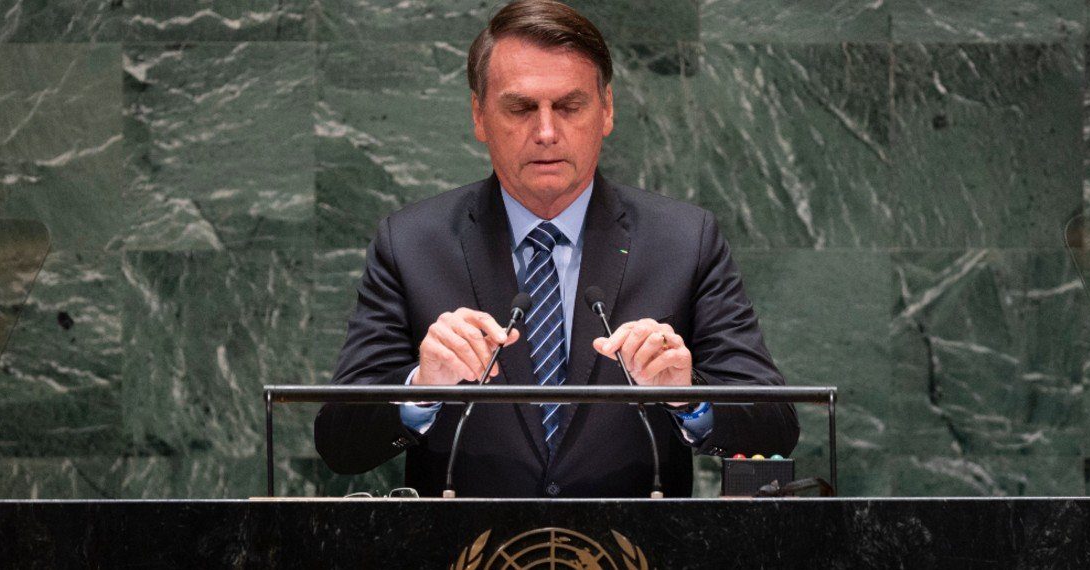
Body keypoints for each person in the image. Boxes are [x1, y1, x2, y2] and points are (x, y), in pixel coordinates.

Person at [314, 0, 798, 498]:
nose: (546, 132)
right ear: (479, 115)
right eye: (521, 108)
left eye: (569, 106)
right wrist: (421, 387)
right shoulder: (411, 244)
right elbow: (340, 444)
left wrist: (687, 395)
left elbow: (776, 426)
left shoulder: (684, 240)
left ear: (606, 110)